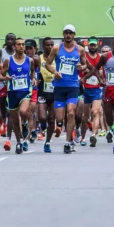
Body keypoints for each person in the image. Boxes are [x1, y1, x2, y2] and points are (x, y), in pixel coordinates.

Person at [45, 25, 82, 154]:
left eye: (70, 33)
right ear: (63, 34)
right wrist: (55, 71)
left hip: (73, 86)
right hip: (59, 87)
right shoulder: (56, 48)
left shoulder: (80, 50)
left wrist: (81, 67)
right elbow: (47, 63)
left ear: (74, 34)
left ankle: (67, 142)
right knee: (59, 118)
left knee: (71, 113)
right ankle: (62, 127)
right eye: (66, 33)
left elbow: (86, 65)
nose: (68, 35)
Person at [0, 36, 32, 154]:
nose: (21, 46)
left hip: (25, 92)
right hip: (12, 92)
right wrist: (5, 78)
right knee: (15, 120)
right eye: (19, 44)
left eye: (23, 44)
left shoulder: (30, 60)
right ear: (14, 46)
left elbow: (32, 75)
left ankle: (25, 124)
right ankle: (19, 142)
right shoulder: (8, 60)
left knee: (22, 112)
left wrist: (34, 80)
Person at [81, 37, 105, 148]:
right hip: (85, 89)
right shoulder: (84, 56)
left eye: (94, 45)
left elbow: (102, 71)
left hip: (96, 89)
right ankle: (83, 137)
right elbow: (79, 68)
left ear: (97, 46)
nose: (93, 47)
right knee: (85, 117)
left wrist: (100, 75)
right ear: (88, 46)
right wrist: (84, 69)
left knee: (96, 112)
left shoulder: (101, 58)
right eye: (91, 45)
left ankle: (94, 135)